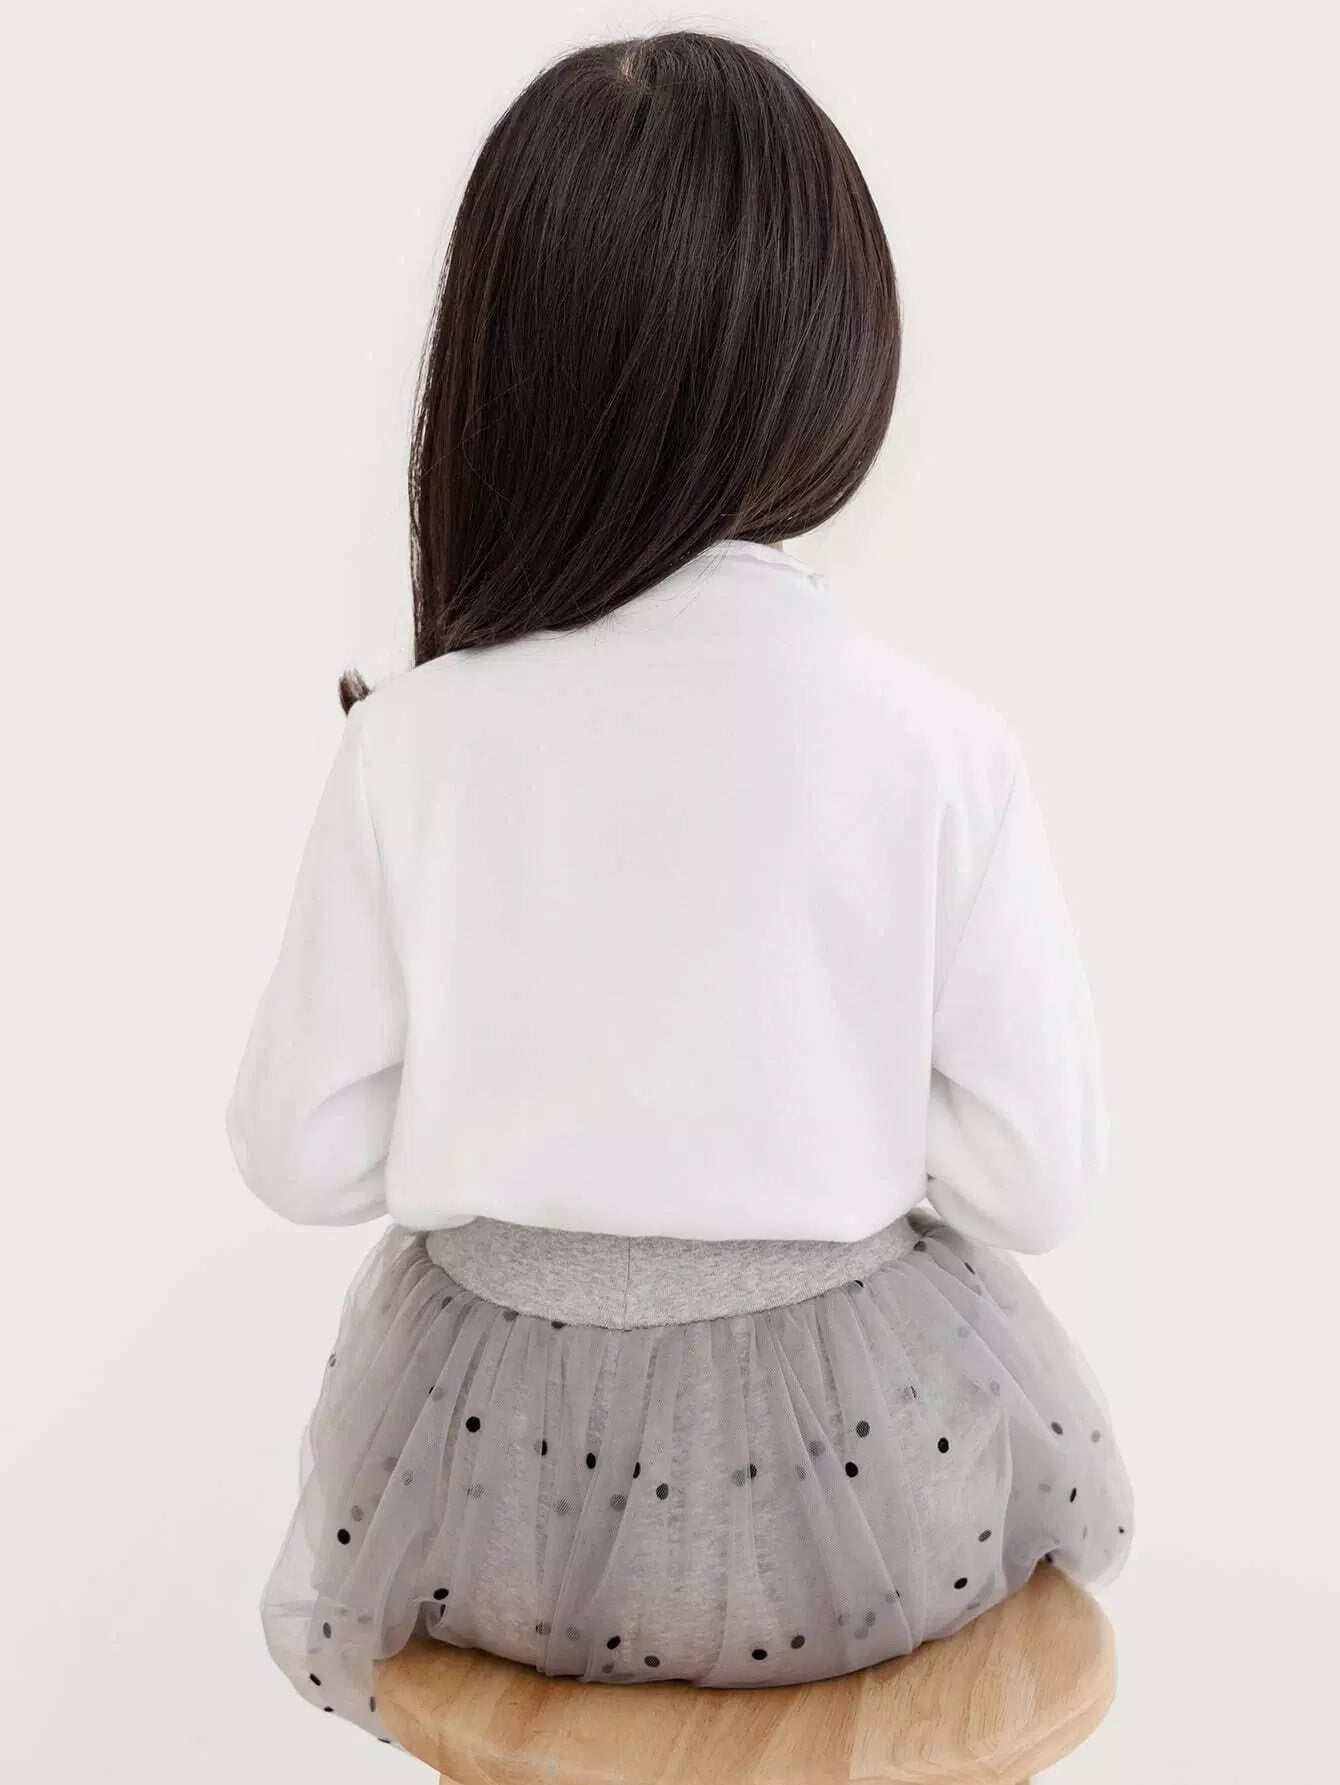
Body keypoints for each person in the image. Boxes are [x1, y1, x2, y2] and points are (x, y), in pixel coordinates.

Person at [227, 29, 1132, 1746]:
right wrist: (817, 1130)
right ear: (834, 354)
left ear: (504, 362)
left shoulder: (415, 740)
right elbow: (1037, 1176)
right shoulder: (939, 745)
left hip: (495, 1513)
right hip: (862, 1522)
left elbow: (299, 1152)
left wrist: (521, 1120)